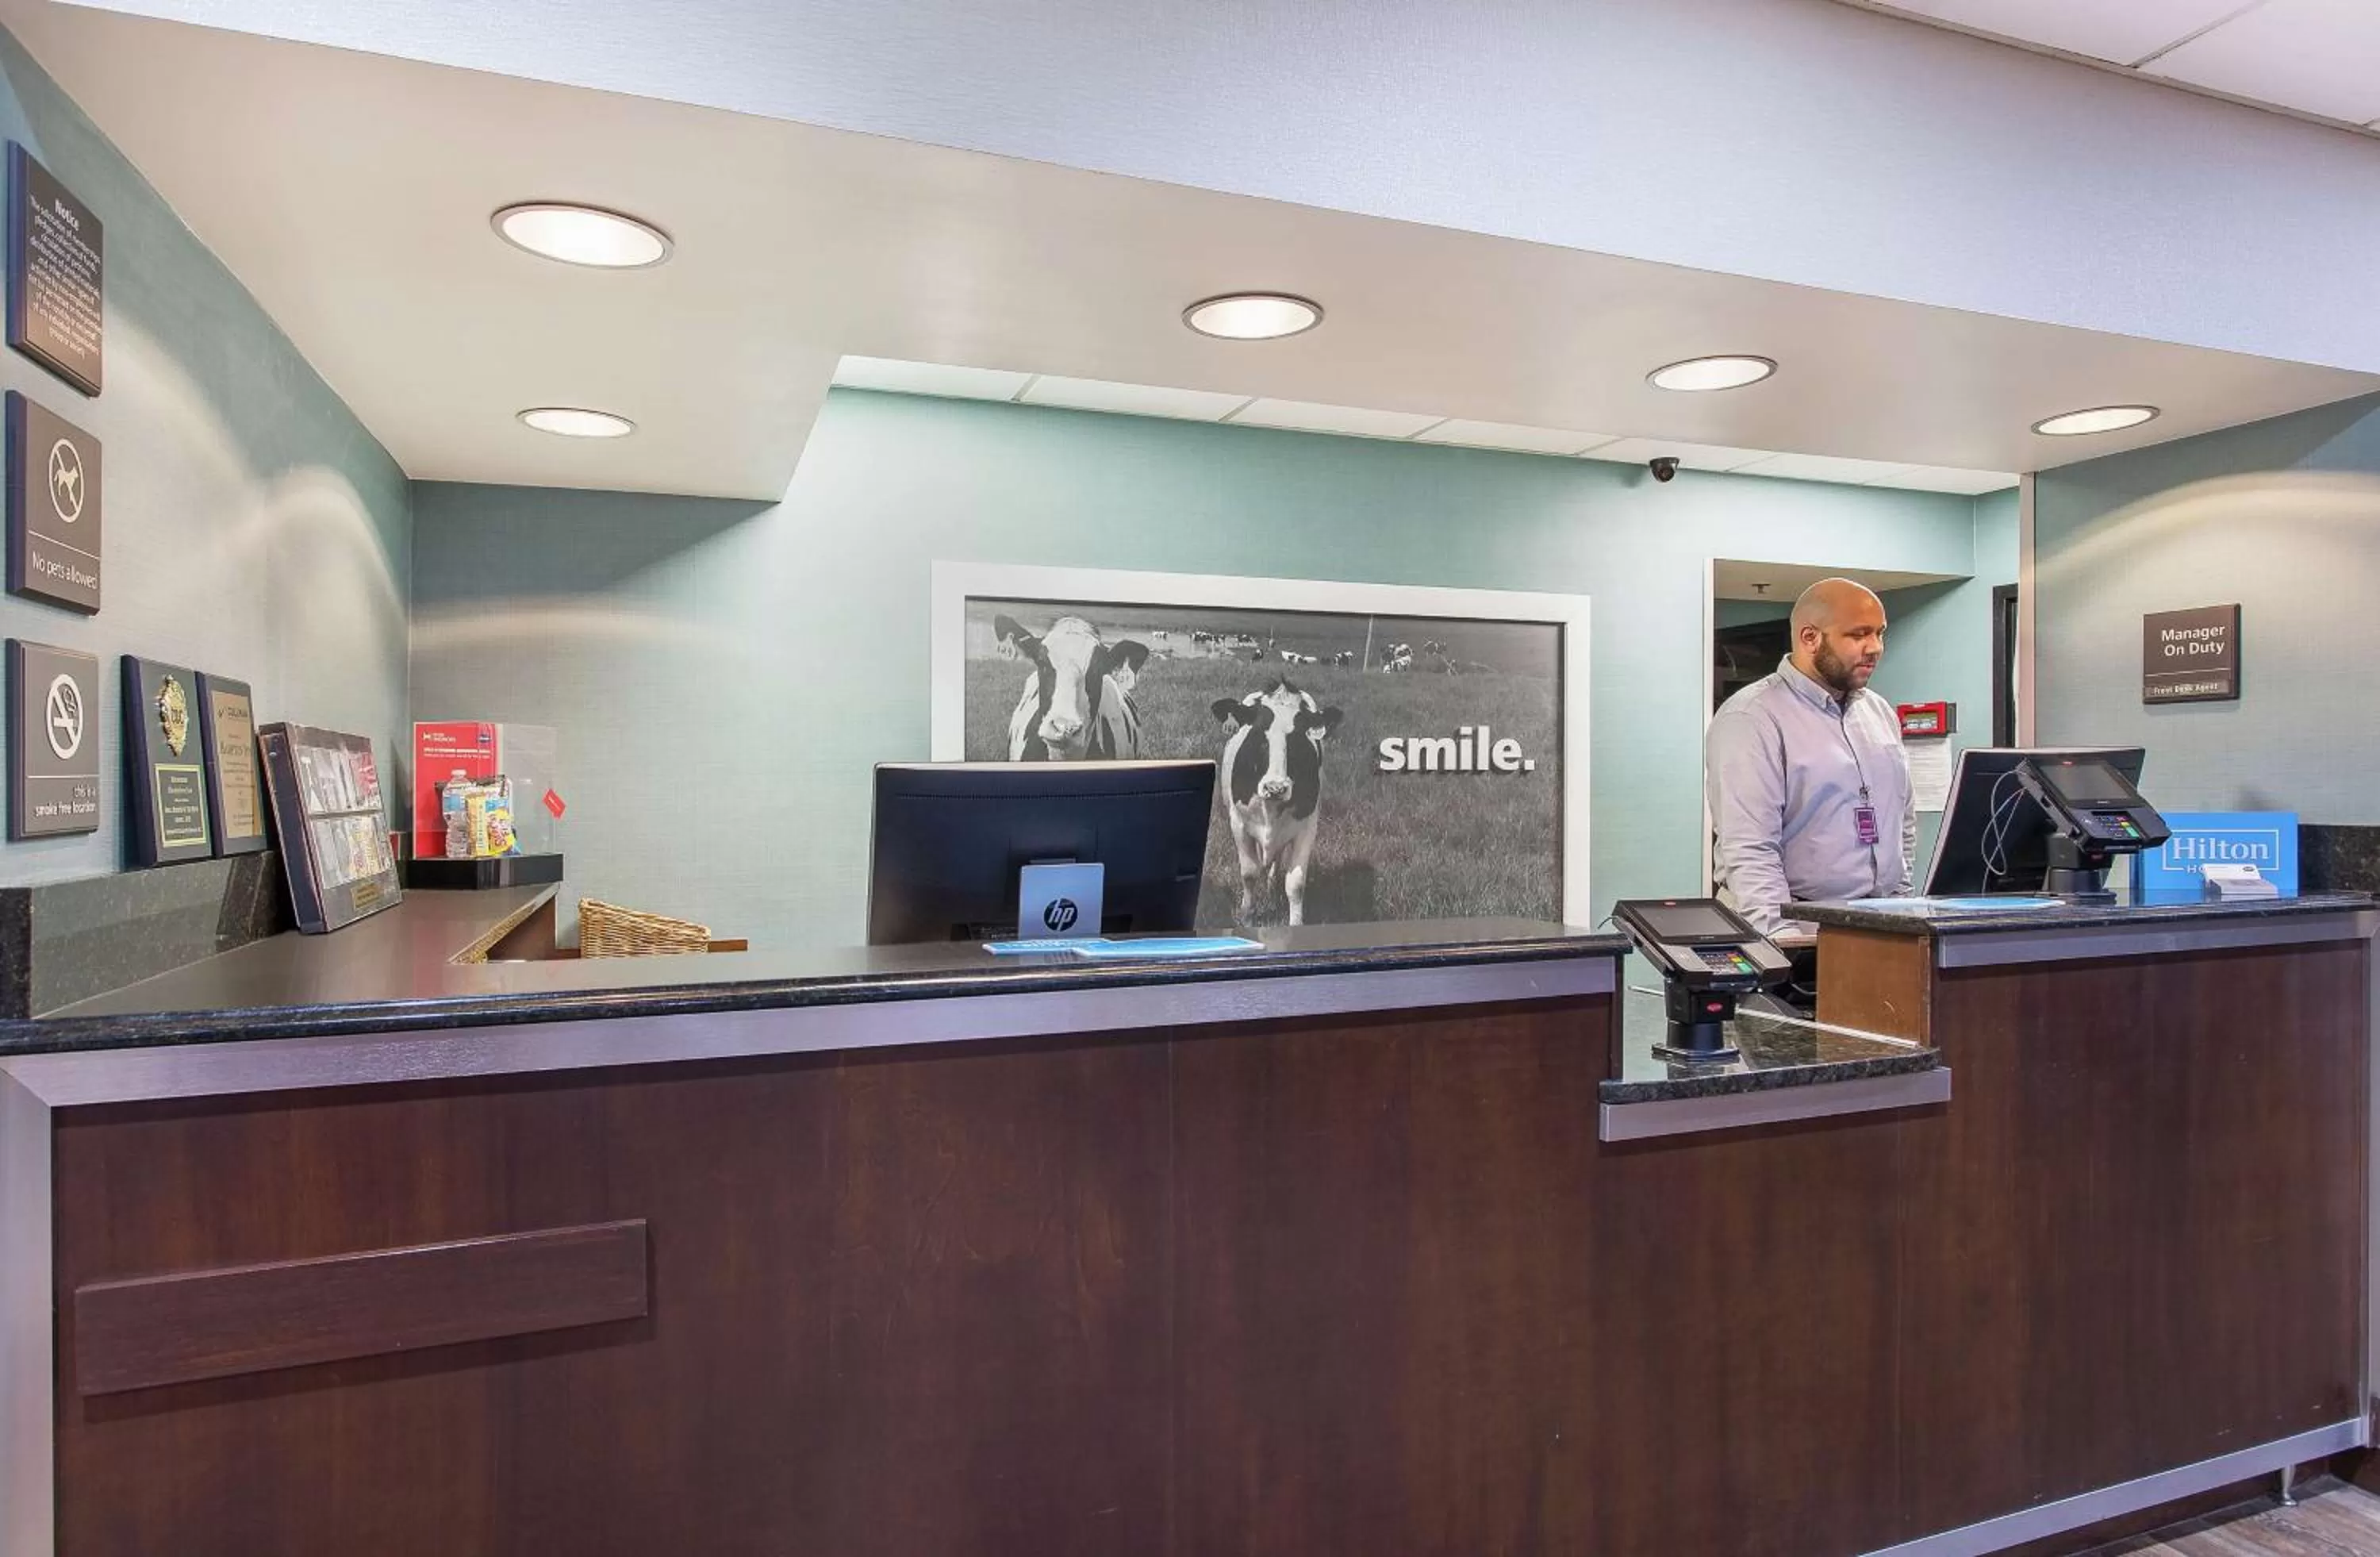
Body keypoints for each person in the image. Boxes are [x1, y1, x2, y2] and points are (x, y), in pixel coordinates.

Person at [1706, 577, 1915, 936]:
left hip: (1881, 926)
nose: (1875, 647)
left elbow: (1902, 823)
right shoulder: (1753, 717)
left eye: (1880, 633)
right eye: (1858, 634)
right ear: (1810, 637)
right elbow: (1751, 850)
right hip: (1797, 931)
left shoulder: (1878, 713)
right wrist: (1784, 944)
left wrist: (1904, 906)